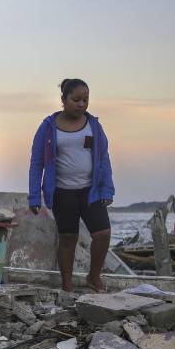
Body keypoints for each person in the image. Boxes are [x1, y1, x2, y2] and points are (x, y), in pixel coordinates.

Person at [27, 78, 115, 292]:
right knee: (68, 238)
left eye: (85, 100)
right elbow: (37, 162)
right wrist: (34, 196)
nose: (82, 104)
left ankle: (93, 277)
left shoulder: (94, 125)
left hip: (91, 191)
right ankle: (67, 285)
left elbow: (103, 157)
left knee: (102, 234)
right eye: (76, 100)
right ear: (63, 99)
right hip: (62, 192)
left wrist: (107, 188)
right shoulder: (48, 127)